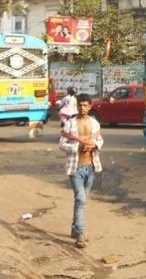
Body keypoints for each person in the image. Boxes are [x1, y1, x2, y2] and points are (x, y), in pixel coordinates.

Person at [58, 93, 103, 249]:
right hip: (75, 168)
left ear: (90, 106)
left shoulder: (94, 123)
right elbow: (61, 144)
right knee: (81, 200)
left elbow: (99, 139)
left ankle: (74, 228)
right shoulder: (70, 124)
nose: (82, 108)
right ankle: (81, 235)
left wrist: (94, 146)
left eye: (85, 105)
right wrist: (77, 147)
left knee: (80, 201)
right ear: (76, 106)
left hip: (90, 167)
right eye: (80, 105)